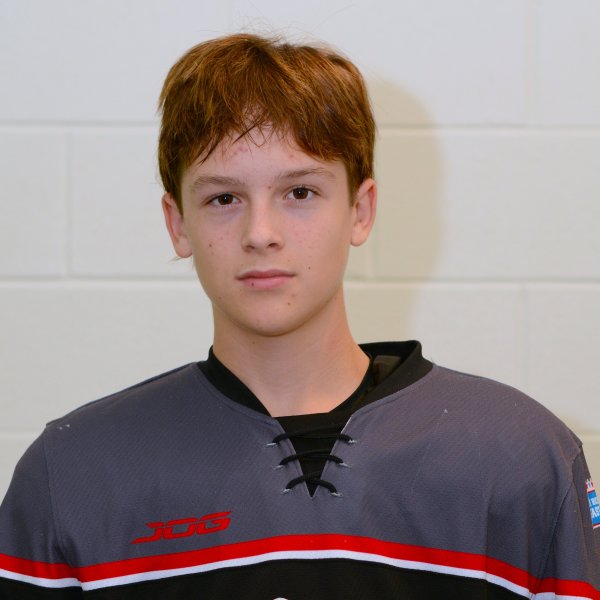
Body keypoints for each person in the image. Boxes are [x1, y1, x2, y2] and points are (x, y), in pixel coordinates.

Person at [0, 33, 598, 600]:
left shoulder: (524, 457)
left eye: (300, 193)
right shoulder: (71, 475)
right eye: (223, 198)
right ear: (178, 223)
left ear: (360, 210)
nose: (261, 233)